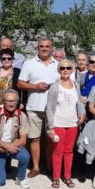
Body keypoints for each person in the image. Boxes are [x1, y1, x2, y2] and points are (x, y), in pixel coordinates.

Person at [17, 37, 59, 178]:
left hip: (53, 110)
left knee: (50, 139)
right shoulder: (29, 64)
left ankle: (50, 167)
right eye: (41, 46)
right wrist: (36, 86)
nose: (44, 49)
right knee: (34, 139)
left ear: (51, 48)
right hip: (34, 107)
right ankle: (36, 167)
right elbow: (20, 84)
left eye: (47, 46)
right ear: (37, 48)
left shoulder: (58, 65)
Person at [45, 60, 85, 188]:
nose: (65, 70)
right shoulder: (54, 86)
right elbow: (49, 108)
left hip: (72, 123)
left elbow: (79, 102)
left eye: (68, 68)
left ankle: (67, 176)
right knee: (57, 151)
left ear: (72, 70)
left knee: (69, 151)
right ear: (59, 70)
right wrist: (51, 126)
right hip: (58, 123)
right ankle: (56, 177)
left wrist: (82, 113)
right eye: (62, 68)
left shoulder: (76, 85)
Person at [0, 90, 31, 188]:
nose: (11, 104)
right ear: (3, 101)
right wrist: (6, 146)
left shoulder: (22, 116)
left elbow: (23, 140)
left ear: (17, 101)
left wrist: (11, 146)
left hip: (13, 145)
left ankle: (20, 178)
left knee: (25, 156)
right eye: (8, 101)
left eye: (13, 101)